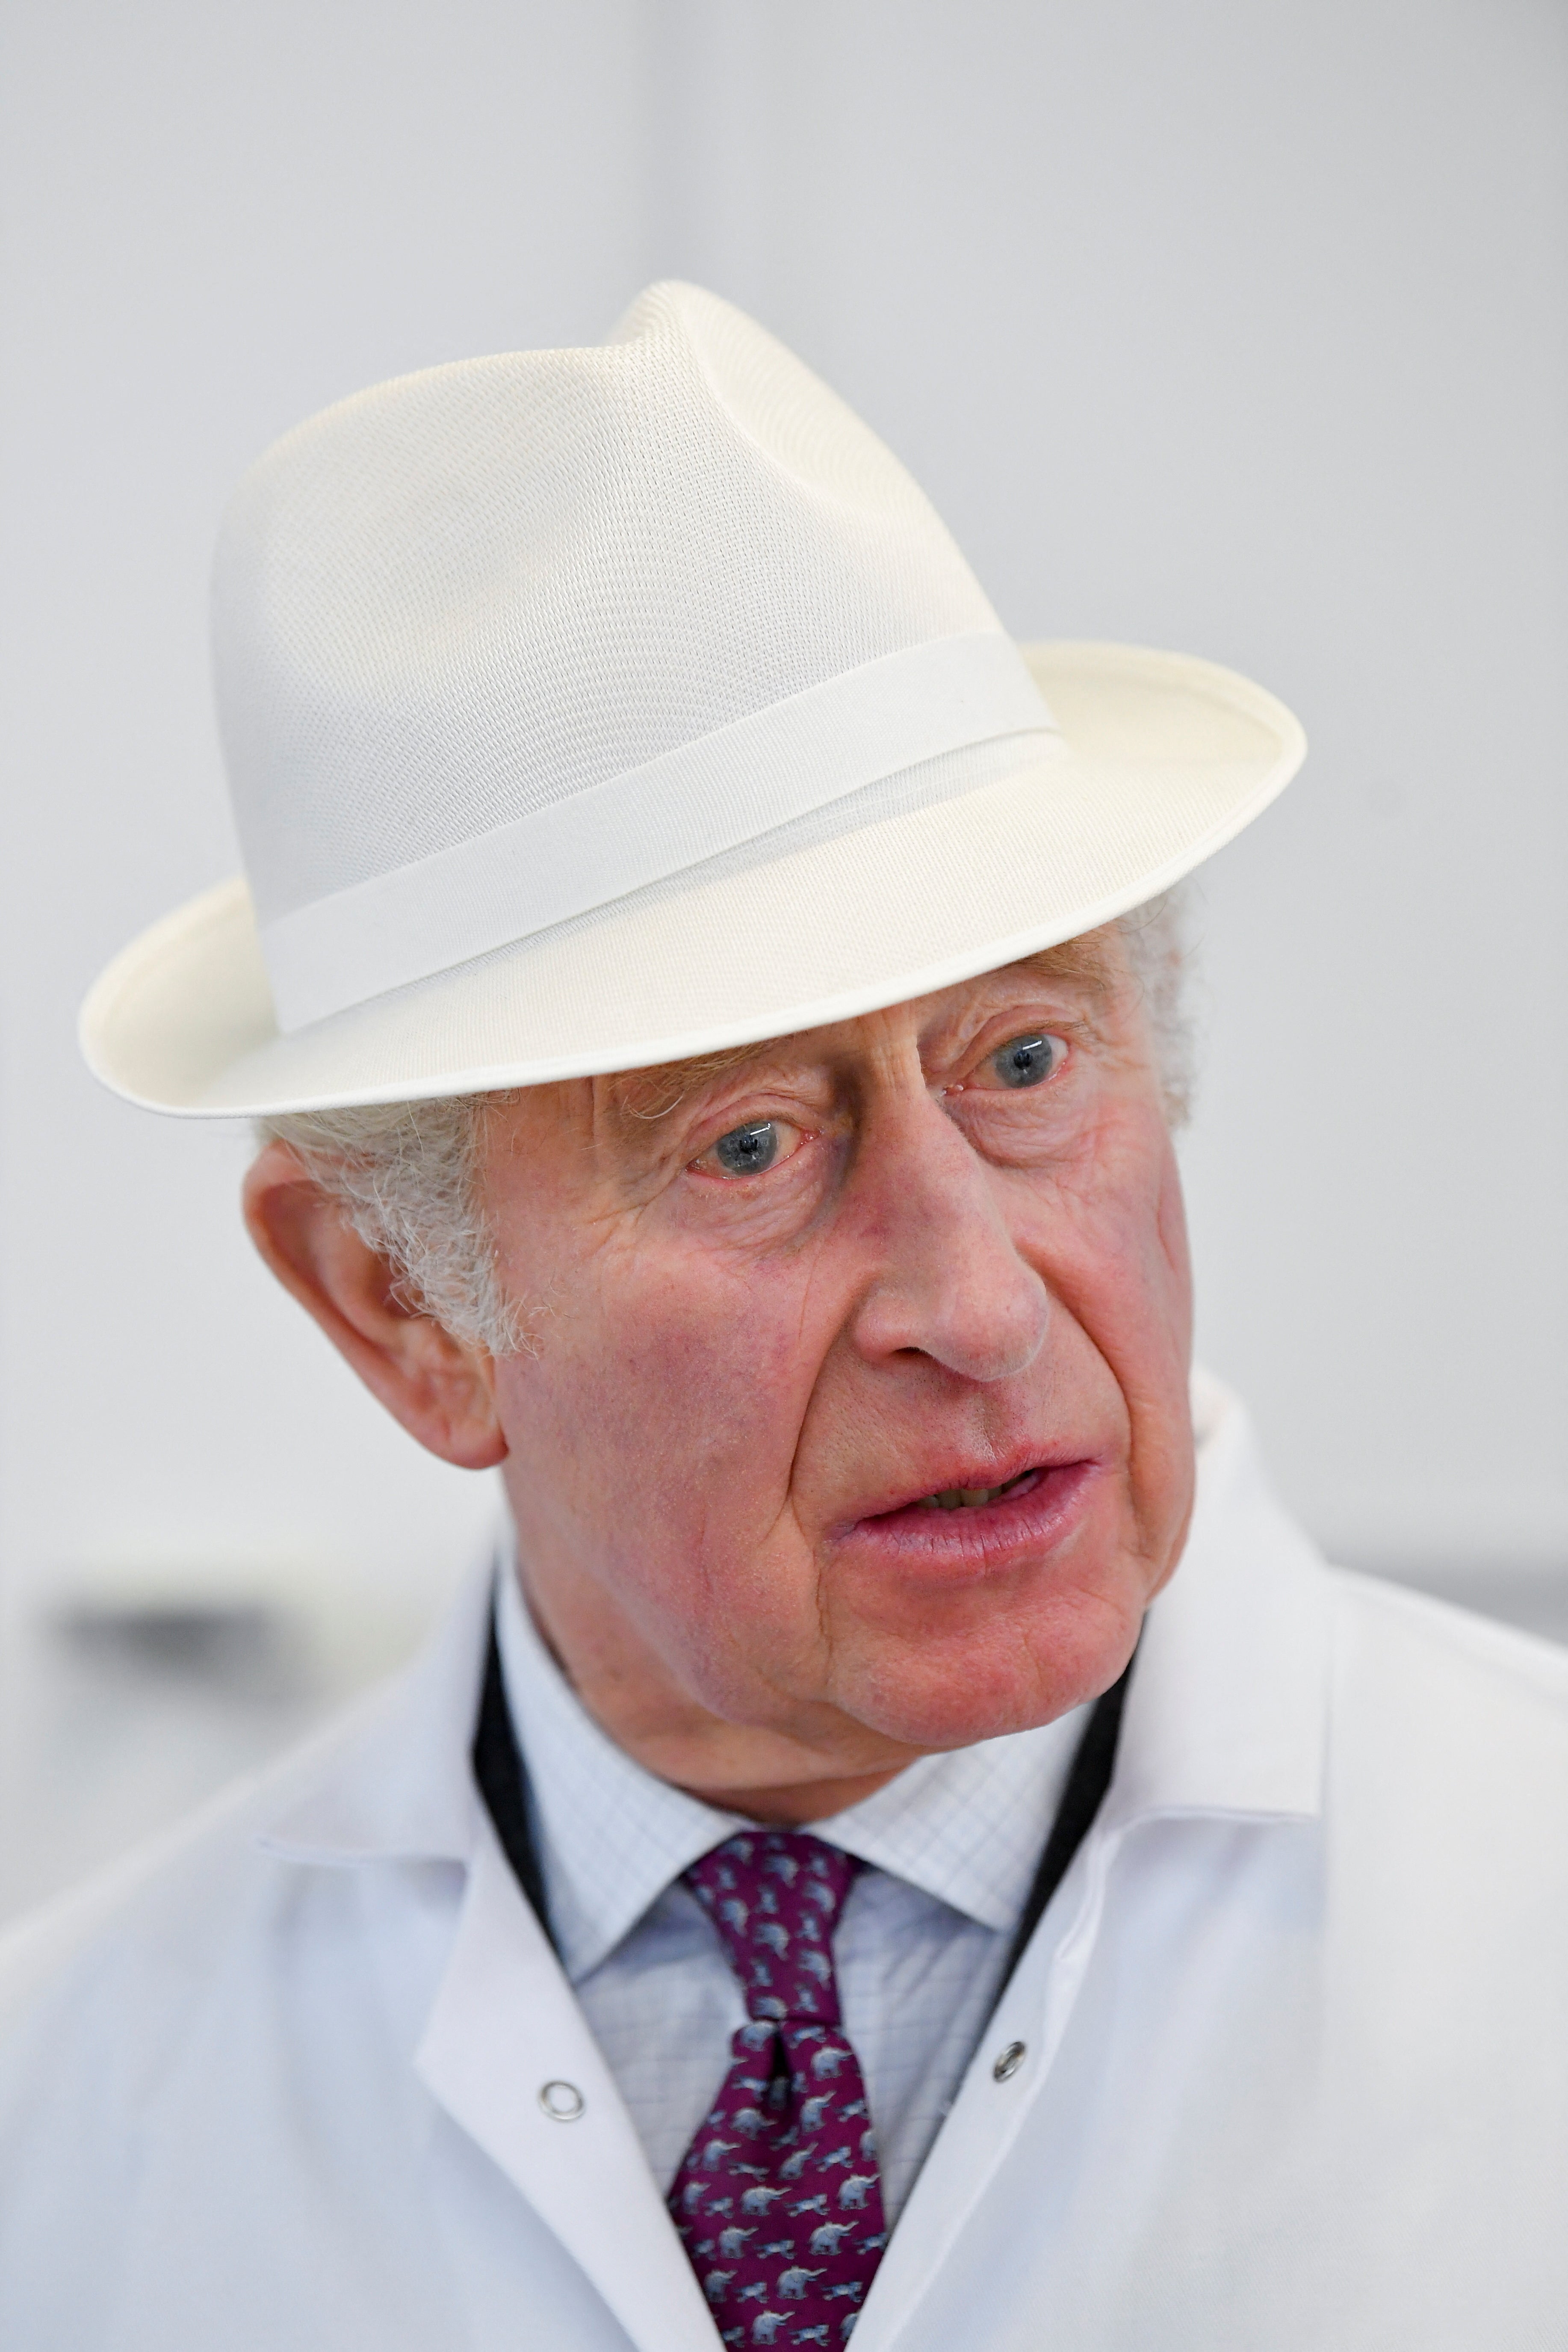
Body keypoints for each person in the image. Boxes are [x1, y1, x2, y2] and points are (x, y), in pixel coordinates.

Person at [1, 282, 1564, 2350]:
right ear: (399, 1311)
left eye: (1020, 1062)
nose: (979, 1304)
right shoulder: (66, 2121)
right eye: (745, 1146)